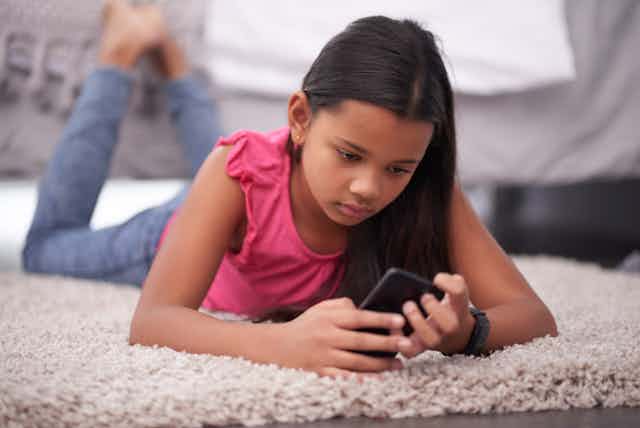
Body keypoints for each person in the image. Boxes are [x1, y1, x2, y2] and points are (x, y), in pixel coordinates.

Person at [22, 0, 558, 381]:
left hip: (239, 201)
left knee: (219, 163)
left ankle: (173, 60)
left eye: (398, 168)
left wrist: (468, 331)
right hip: (169, 235)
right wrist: (277, 344)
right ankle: (121, 55)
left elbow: (534, 316)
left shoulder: (426, 187)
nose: (368, 188)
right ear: (300, 118)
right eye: (349, 155)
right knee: (45, 248)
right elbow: (154, 321)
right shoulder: (240, 171)